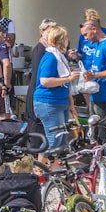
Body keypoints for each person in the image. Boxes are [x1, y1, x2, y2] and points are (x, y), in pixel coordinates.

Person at [33, 25, 80, 153]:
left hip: (61, 101)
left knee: (62, 139)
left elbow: (65, 83)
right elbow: (45, 81)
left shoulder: (60, 57)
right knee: (54, 139)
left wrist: (71, 103)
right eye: (65, 38)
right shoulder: (51, 57)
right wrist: (68, 78)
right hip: (48, 102)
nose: (67, 41)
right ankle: (40, 170)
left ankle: (53, 170)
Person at [78, 18, 106, 119]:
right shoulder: (98, 45)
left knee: (105, 131)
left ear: (94, 29)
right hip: (95, 95)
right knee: (95, 131)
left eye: (86, 34)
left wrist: (94, 75)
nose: (85, 38)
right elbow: (99, 68)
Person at [23, 17, 57, 141]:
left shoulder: (49, 48)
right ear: (42, 32)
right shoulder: (40, 49)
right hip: (37, 89)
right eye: (49, 31)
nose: (51, 34)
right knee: (36, 126)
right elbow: (39, 74)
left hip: (41, 90)